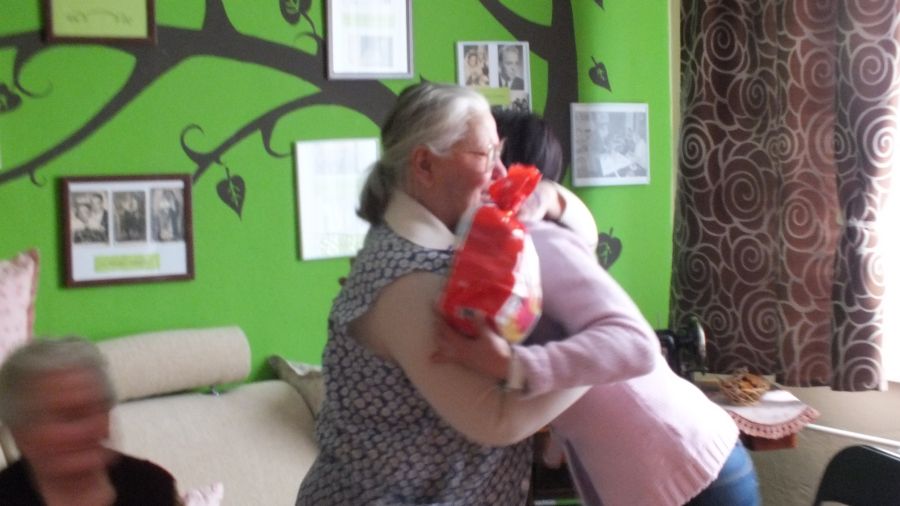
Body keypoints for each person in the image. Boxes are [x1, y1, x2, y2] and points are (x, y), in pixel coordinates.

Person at [295, 83, 603, 505]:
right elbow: (495, 420)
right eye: (486, 155)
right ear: (425, 165)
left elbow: (586, 233)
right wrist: (603, 357)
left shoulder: (448, 240)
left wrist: (547, 197)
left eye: (500, 152)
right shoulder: (410, 280)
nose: (501, 172)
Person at [433, 111, 762, 506]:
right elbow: (576, 357)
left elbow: (637, 345)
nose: (491, 168)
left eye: (491, 154)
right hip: (673, 470)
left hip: (689, 469)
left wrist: (513, 367)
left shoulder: (534, 240)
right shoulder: (500, 251)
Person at [0, 337, 180, 505]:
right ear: (19, 430)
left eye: (98, 409)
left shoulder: (152, 486)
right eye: (67, 417)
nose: (89, 429)